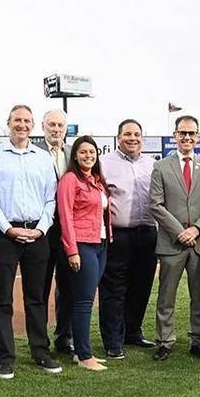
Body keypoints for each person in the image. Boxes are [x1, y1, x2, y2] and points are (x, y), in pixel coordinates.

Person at [0, 104, 60, 379]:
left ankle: (40, 351)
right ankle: (5, 357)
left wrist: (41, 229)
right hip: (5, 236)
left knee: (36, 297)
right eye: (17, 120)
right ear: (8, 122)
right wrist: (8, 228)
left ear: (33, 124)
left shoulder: (42, 157)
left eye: (26, 121)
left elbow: (51, 198)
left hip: (37, 235)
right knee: (2, 298)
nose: (22, 125)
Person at [150, 115, 200, 362]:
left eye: (192, 133)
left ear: (198, 137)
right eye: (183, 133)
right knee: (166, 295)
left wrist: (197, 229)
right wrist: (180, 231)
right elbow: (155, 205)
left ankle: (199, 342)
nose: (187, 137)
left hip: (199, 242)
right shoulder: (161, 166)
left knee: (199, 295)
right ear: (175, 135)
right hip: (171, 242)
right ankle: (164, 341)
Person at [99, 119, 159, 358]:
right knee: (114, 287)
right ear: (118, 137)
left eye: (136, 134)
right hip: (118, 233)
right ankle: (113, 340)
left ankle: (132, 331)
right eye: (127, 134)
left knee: (141, 285)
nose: (132, 138)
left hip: (147, 233)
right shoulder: (104, 163)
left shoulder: (152, 164)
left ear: (142, 138)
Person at [55, 136, 113, 372]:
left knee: (83, 297)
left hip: (100, 244)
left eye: (92, 152)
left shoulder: (97, 181)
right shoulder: (70, 179)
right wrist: (72, 251)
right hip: (81, 244)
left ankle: (81, 350)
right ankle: (83, 354)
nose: (88, 155)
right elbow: (65, 216)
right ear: (75, 156)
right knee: (84, 301)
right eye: (83, 152)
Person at [34, 109, 76, 358]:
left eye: (60, 125)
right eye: (51, 124)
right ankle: (39, 341)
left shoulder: (73, 153)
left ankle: (64, 337)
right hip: (42, 228)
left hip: (69, 229)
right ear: (43, 126)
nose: (56, 129)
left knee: (68, 286)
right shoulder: (34, 153)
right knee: (40, 287)